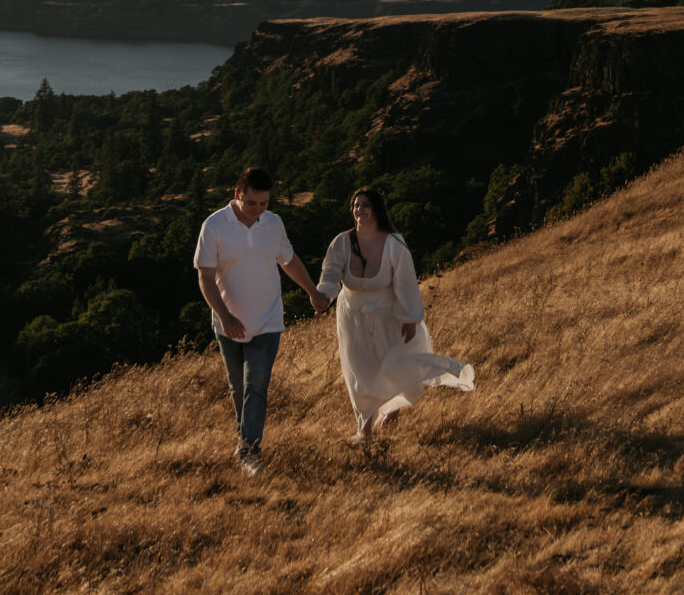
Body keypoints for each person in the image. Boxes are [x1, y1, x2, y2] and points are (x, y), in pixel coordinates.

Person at [194, 166, 327, 474]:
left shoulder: (273, 224)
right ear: (237, 194)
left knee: (256, 385)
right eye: (252, 203)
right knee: (238, 387)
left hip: (268, 320)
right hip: (228, 323)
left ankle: (249, 453)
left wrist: (312, 291)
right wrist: (225, 316)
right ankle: (245, 439)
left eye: (264, 204)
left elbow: (288, 260)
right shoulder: (214, 225)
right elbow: (206, 278)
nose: (257, 210)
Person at [315, 186, 474, 441]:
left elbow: (406, 282)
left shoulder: (393, 243)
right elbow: (331, 273)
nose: (360, 210)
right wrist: (324, 295)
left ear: (376, 209)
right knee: (360, 373)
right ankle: (364, 430)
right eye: (356, 205)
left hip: (388, 315)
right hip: (352, 317)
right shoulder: (342, 242)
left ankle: (391, 416)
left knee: (394, 367)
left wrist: (410, 318)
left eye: (365, 205)